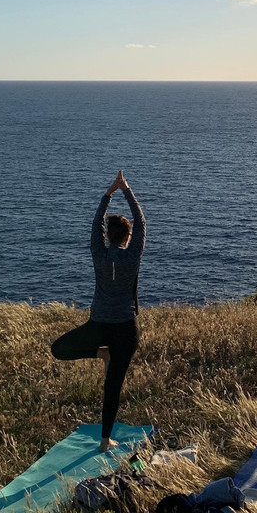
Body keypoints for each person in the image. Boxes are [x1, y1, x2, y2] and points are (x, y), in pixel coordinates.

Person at [51, 170, 145, 452]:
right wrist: (125, 189)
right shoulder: (133, 254)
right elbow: (141, 221)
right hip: (127, 328)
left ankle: (98, 352)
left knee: (59, 349)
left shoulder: (98, 253)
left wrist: (109, 193)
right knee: (113, 385)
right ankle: (105, 440)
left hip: (99, 324)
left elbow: (96, 225)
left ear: (107, 236)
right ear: (127, 237)